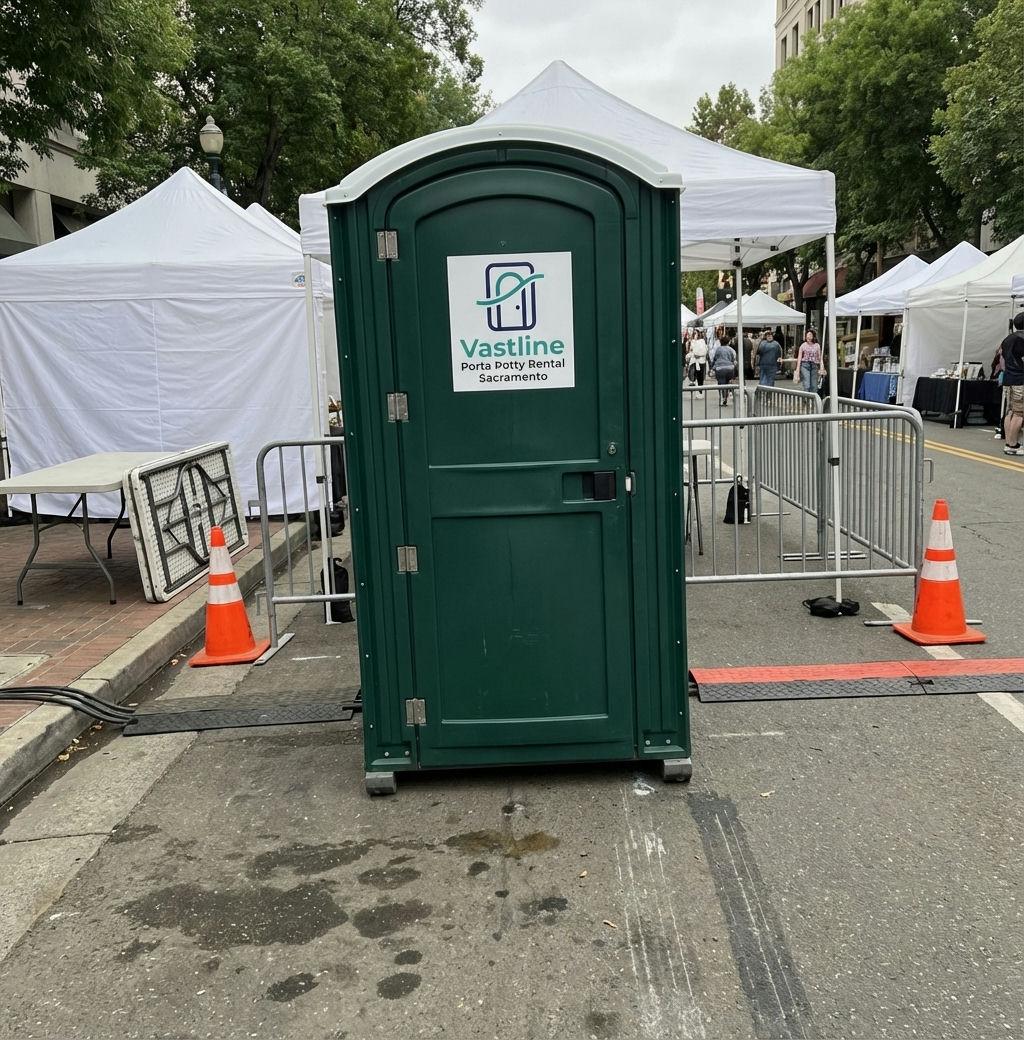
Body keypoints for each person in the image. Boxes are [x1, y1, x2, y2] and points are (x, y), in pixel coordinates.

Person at [1000, 312, 1024, 455]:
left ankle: (1009, 442)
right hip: (1020, 379)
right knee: (1020, 413)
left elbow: (1002, 356)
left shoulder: (1007, 339)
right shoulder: (1022, 339)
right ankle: (1013, 446)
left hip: (1008, 378)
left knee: (1010, 411)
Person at [710, 335, 737, 406]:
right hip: (730, 368)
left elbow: (714, 358)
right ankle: (728, 395)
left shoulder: (718, 349)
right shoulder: (731, 349)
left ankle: (723, 398)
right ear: (728, 342)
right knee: (727, 383)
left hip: (720, 368)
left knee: (721, 383)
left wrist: (712, 367)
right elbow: (734, 359)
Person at [796, 329, 823, 393]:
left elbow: (820, 357)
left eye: (810, 335)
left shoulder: (817, 345)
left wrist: (822, 367)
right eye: (807, 335)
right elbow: (799, 357)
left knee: (814, 385)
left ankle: (813, 401)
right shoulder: (803, 345)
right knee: (807, 384)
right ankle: (807, 400)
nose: (808, 336)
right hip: (805, 365)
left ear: (813, 336)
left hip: (814, 365)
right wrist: (797, 369)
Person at [686, 326, 709, 395]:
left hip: (700, 361)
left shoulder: (702, 341)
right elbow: (690, 351)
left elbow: (704, 351)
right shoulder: (692, 341)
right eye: (694, 333)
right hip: (694, 361)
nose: (695, 334)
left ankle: (700, 390)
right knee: (693, 374)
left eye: (696, 333)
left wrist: (698, 354)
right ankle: (695, 386)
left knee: (700, 377)